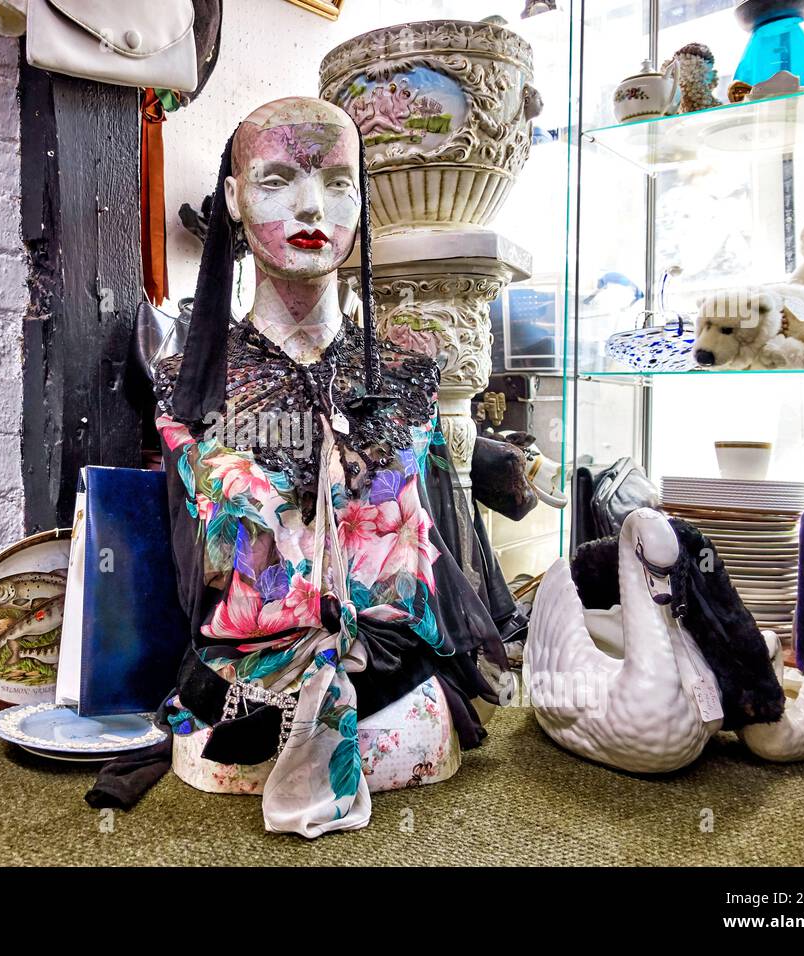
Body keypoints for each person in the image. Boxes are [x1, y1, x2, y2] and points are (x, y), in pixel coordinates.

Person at [153, 97, 516, 837]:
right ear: (233, 197)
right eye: (278, 178)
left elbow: (435, 546)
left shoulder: (411, 374)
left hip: (399, 703)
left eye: (340, 182)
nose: (313, 205)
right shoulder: (186, 381)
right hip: (237, 707)